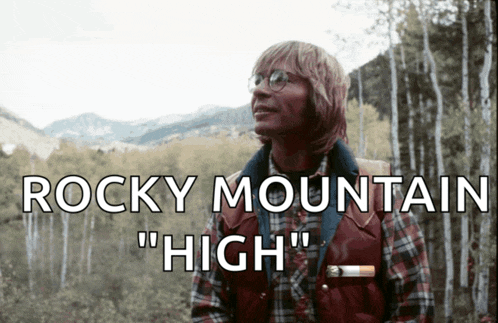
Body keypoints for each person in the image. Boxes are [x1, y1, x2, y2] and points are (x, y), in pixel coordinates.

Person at [191, 40, 434, 322]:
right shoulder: (233, 196)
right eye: (257, 80)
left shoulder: (377, 188)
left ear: (321, 96)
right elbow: (208, 307)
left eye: (279, 79)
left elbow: (414, 307)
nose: (259, 89)